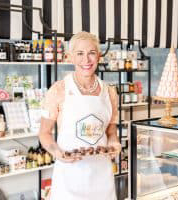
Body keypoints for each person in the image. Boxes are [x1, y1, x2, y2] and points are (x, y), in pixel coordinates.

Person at [39, 31, 121, 200]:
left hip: (101, 175)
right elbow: (44, 133)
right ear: (71, 57)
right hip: (69, 175)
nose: (86, 60)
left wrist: (114, 143)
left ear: (98, 56)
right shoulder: (58, 90)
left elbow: (111, 130)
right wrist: (57, 153)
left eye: (91, 53)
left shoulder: (110, 92)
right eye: (80, 54)